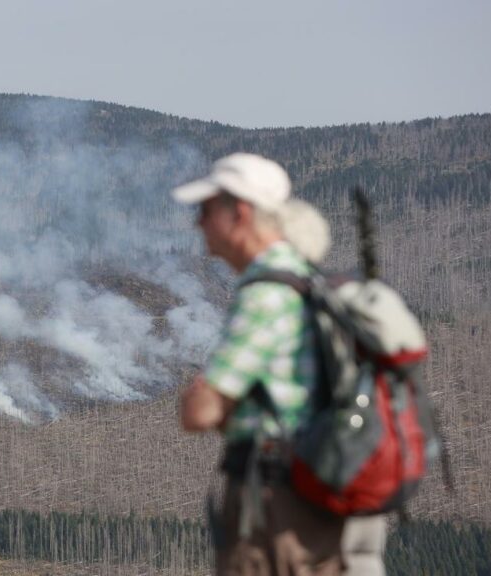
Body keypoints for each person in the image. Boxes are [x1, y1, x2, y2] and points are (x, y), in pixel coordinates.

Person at [173, 152, 345, 576]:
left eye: (206, 209)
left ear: (241, 213)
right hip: (310, 494)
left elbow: (200, 412)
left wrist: (204, 398)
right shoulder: (306, 278)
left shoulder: (265, 293)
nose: (198, 223)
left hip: (274, 504)